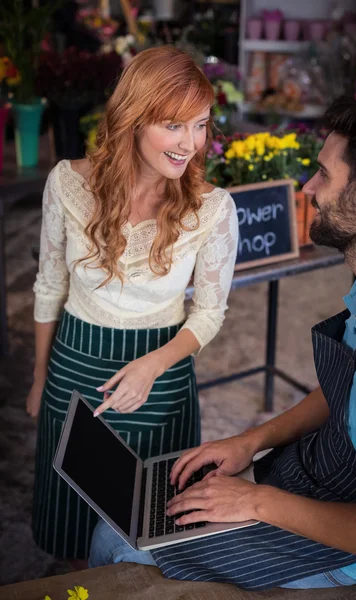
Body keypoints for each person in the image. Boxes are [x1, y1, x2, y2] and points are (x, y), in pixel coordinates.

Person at [89, 96, 356, 591]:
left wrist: (254, 501)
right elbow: (348, 394)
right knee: (149, 504)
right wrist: (249, 443)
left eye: (323, 173)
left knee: (116, 540)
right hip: (317, 478)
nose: (308, 188)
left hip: (355, 546)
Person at [28, 46, 239, 562]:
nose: (190, 143)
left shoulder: (212, 210)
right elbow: (49, 286)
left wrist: (153, 365)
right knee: (69, 530)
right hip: (73, 363)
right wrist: (38, 379)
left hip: (161, 382)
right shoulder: (66, 183)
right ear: (133, 119)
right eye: (174, 125)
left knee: (140, 535)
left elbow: (209, 313)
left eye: (200, 125)